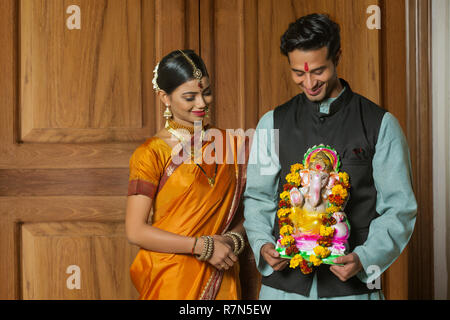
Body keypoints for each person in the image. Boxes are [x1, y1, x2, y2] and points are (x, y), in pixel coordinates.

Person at [243, 14, 417, 300]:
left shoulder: (380, 124)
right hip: (282, 289)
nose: (309, 82)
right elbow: (258, 198)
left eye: (318, 71)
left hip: (353, 290)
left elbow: (400, 208)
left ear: (337, 56)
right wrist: (262, 244)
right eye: (298, 73)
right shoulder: (271, 123)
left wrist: (365, 257)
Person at [126, 49, 248, 300]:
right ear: (165, 98)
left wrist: (233, 239)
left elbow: (254, 209)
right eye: (190, 96)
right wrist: (202, 246)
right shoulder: (151, 153)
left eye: (206, 92)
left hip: (221, 271)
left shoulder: (232, 145)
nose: (202, 103)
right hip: (170, 278)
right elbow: (135, 231)